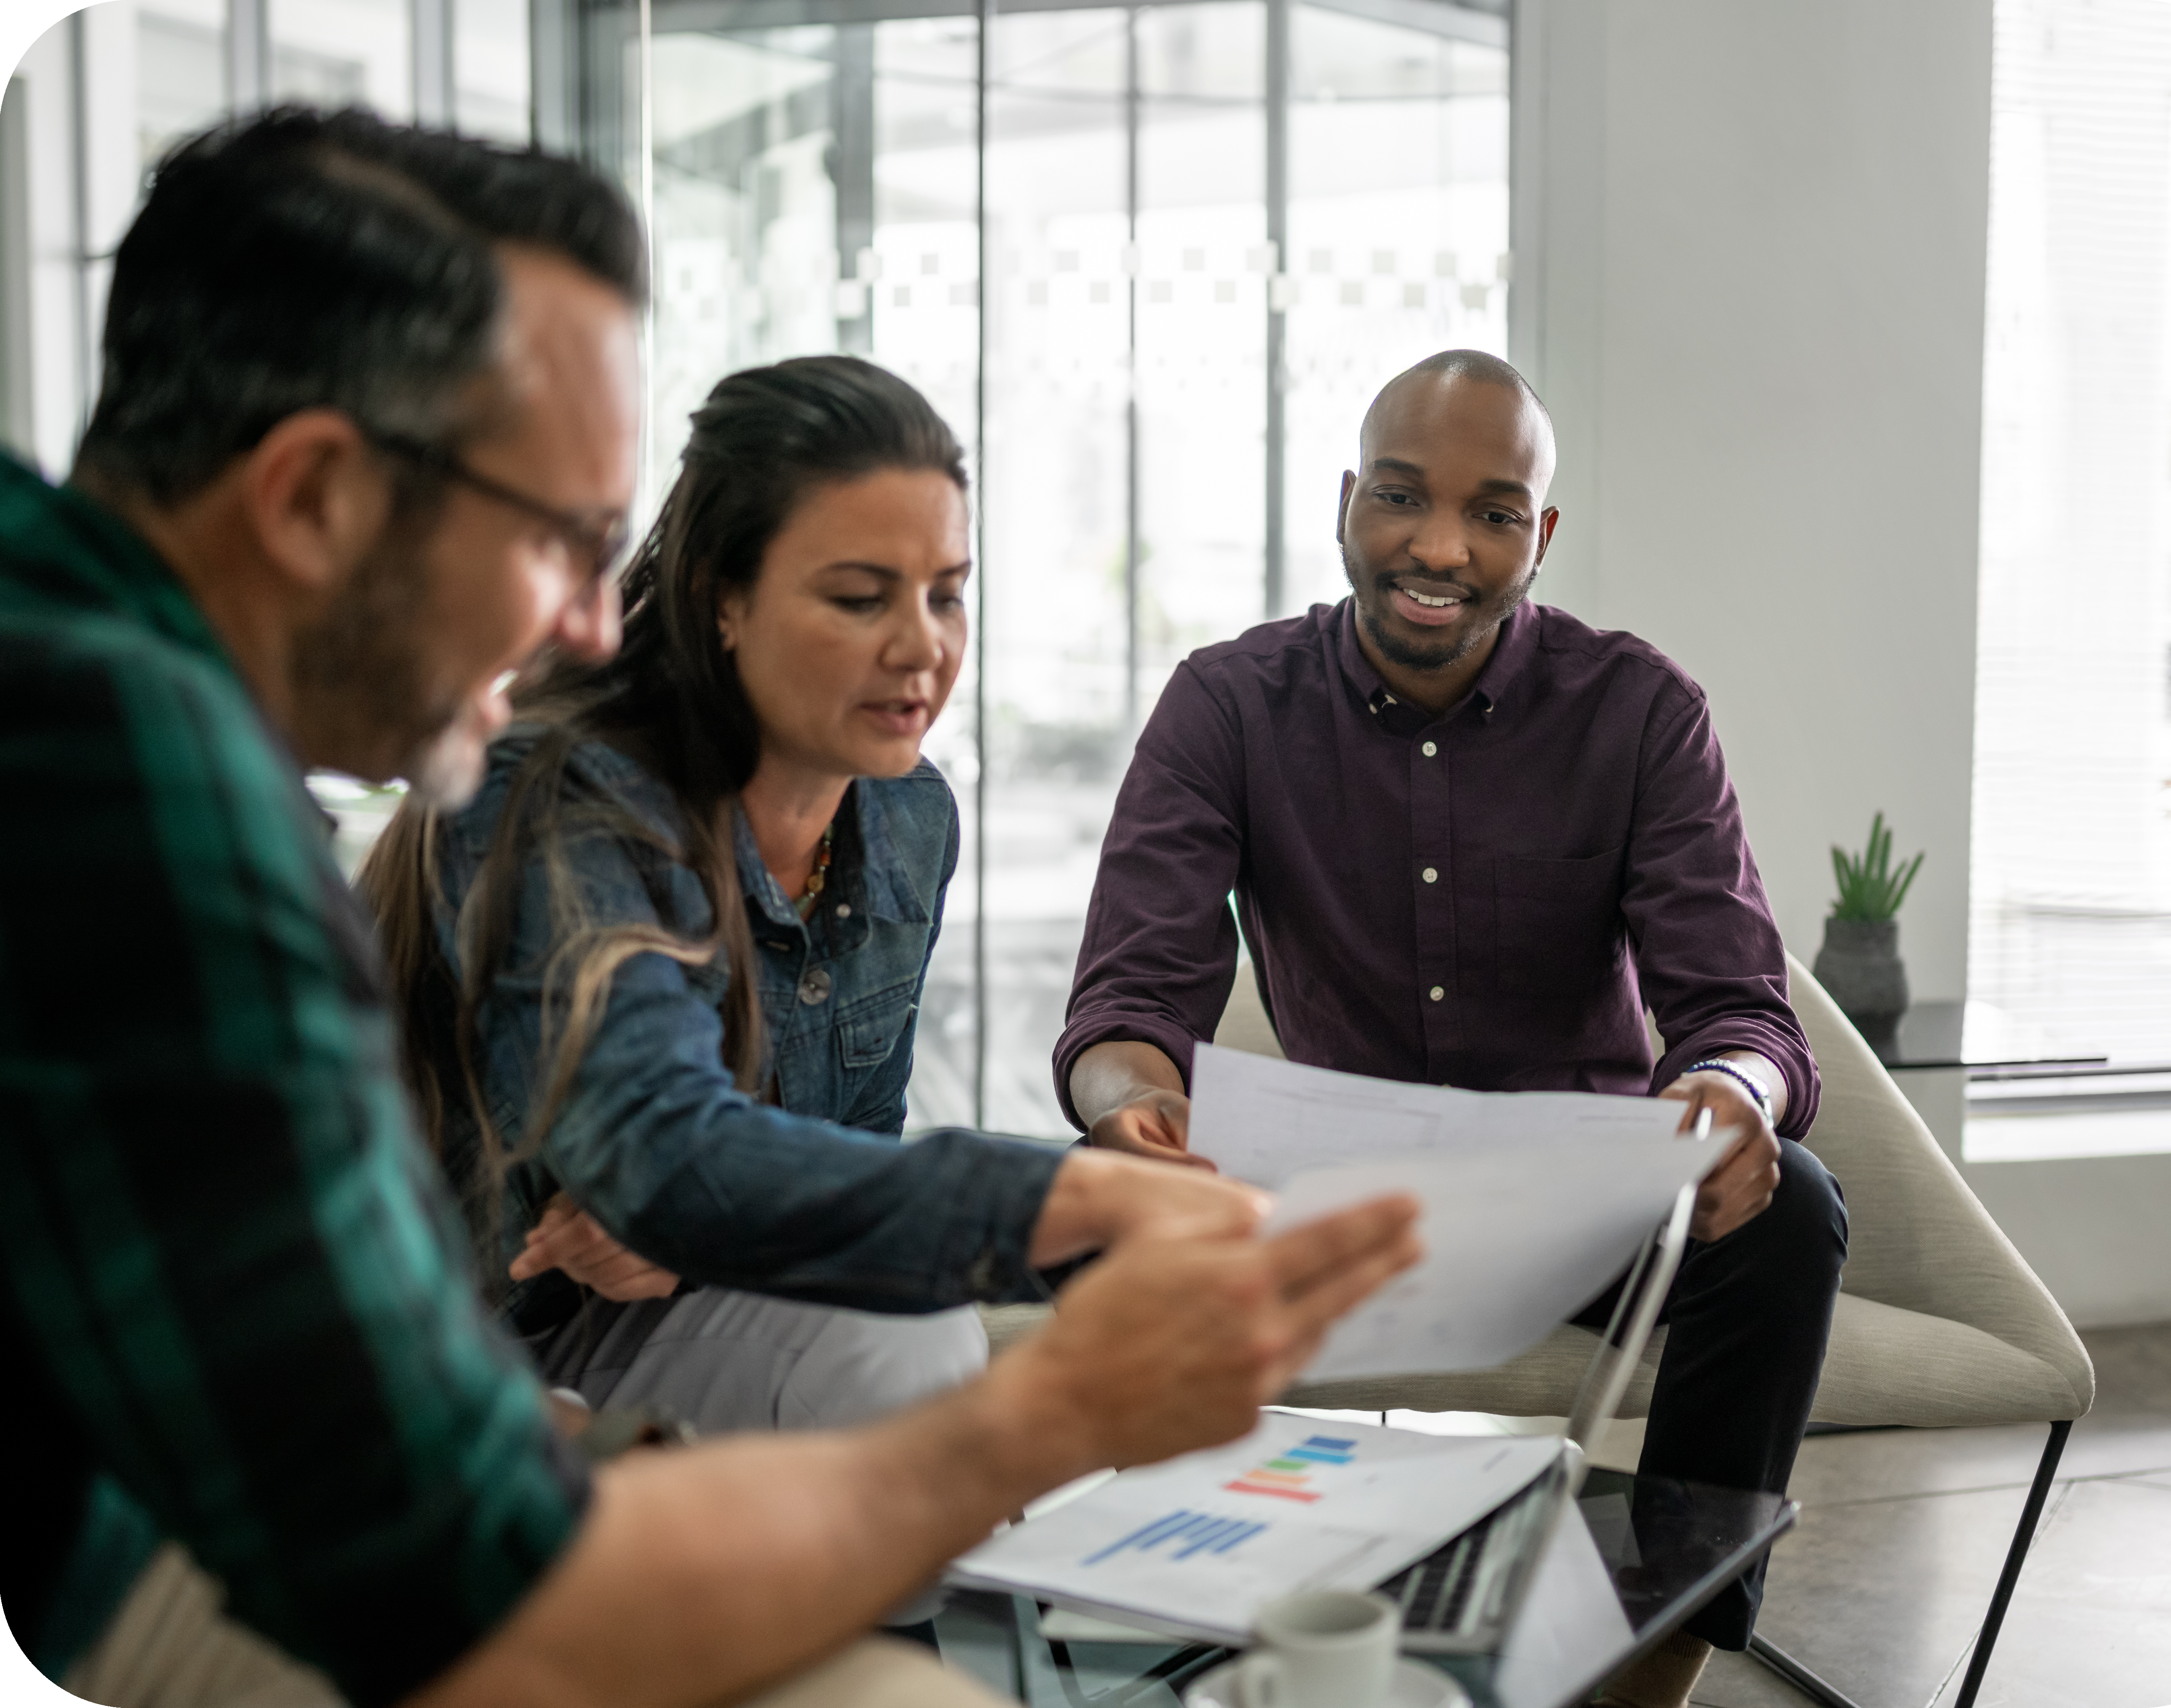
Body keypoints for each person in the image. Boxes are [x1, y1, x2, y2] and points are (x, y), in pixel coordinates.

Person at [1, 107, 1420, 1708]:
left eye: (946, 594)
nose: (589, 622)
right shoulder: (144, 786)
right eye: (562, 539)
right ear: (316, 497)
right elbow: (471, 1572)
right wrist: (1056, 1385)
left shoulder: (86, 672)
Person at [1054, 350, 1848, 1708]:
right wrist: (1129, 1108)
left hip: (1582, 1202)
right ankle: (1188, 1635)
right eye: (1403, 500)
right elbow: (1128, 1002)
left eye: (1490, 514)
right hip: (1329, 1199)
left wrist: (1731, 1093)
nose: (1439, 548)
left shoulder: (1640, 713)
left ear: (1537, 538)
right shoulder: (1228, 704)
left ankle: (1649, 1668)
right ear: (1346, 505)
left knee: (1791, 1222)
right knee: (1083, 1216)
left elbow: (1734, 1006)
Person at [357, 356, 1130, 1476]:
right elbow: (665, 1165)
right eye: (860, 598)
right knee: (909, 1341)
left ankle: (874, 1639)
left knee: (905, 1332)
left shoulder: (907, 817)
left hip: (651, 1329)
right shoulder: (565, 790)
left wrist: (713, 1232)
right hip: (453, 1356)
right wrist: (699, 1207)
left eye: (946, 593)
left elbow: (838, 1161)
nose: (922, 647)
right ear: (724, 597)